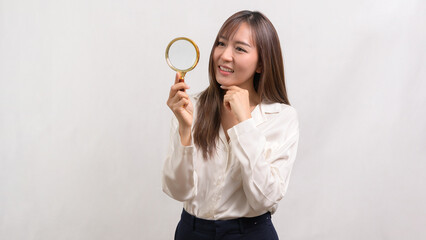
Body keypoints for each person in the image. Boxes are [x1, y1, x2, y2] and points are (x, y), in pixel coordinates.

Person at [163, 10, 299, 240]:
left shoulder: (281, 117)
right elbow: (177, 190)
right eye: (221, 43)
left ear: (261, 64)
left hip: (251, 233)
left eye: (240, 48)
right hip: (192, 232)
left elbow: (264, 198)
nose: (224, 56)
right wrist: (185, 130)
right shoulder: (191, 106)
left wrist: (244, 122)